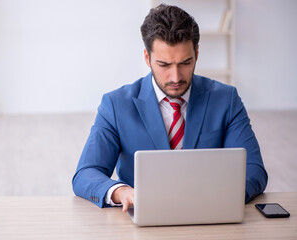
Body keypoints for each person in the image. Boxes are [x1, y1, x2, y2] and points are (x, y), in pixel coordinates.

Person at [72, 4, 268, 212]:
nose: (176, 77)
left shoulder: (226, 100)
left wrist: (218, 196)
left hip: (209, 213)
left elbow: (254, 170)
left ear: (197, 54)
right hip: (145, 215)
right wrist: (123, 192)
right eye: (164, 65)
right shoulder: (116, 105)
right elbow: (86, 173)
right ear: (147, 58)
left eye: (185, 63)